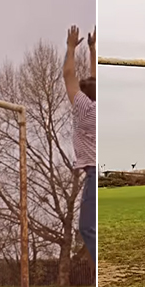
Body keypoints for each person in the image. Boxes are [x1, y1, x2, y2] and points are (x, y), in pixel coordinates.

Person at [64, 25, 96, 265]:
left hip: (93, 172)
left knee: (86, 228)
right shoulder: (98, 107)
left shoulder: (84, 109)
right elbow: (93, 81)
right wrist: (93, 50)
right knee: (89, 226)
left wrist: (70, 48)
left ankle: (98, 267)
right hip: (94, 172)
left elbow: (68, 76)